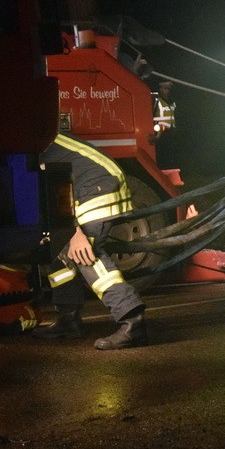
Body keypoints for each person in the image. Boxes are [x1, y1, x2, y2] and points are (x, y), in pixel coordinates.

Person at [34, 133, 150, 349]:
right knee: (55, 247)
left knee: (85, 253)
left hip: (95, 185)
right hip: (94, 180)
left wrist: (75, 232)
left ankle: (132, 321)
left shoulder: (26, 145)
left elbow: (54, 189)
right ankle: (68, 320)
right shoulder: (28, 134)